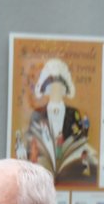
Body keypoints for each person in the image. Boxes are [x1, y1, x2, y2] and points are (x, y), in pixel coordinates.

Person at [15, 57, 99, 185]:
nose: (56, 91)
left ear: (65, 89)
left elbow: (80, 140)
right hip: (42, 174)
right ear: (46, 90)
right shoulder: (37, 114)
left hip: (70, 173)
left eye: (59, 87)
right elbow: (30, 143)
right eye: (52, 87)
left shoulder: (74, 113)